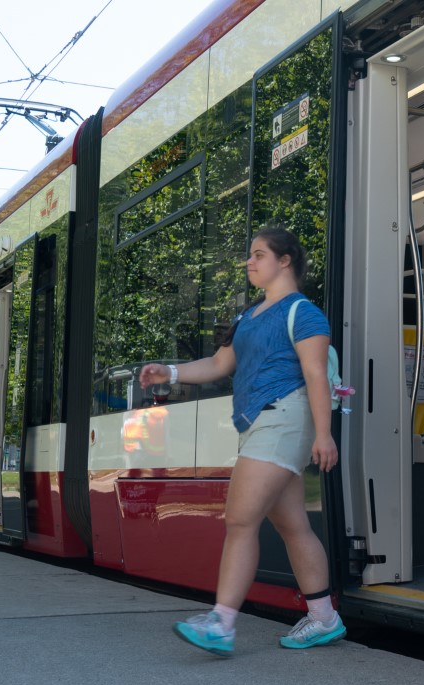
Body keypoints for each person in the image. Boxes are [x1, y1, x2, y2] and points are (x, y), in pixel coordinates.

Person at [139, 227, 344, 656]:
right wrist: (170, 373)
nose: (249, 263)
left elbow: (315, 375)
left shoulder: (304, 313)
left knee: (239, 520)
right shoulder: (248, 316)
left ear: (284, 261)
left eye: (259, 254)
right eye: (250, 255)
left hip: (283, 418)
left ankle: (221, 623)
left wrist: (323, 435)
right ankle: (324, 616)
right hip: (258, 423)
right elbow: (219, 363)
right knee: (293, 526)